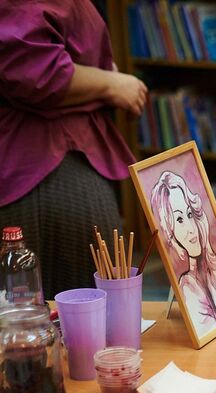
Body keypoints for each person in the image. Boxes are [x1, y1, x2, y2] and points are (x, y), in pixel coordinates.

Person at [0, 1, 147, 298]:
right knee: (71, 329)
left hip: (53, 164)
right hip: (39, 171)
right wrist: (109, 83)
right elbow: (38, 72)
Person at [150, 171, 216, 337]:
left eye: (189, 214)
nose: (191, 228)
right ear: (171, 232)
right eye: (180, 220)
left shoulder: (214, 267)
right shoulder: (189, 287)